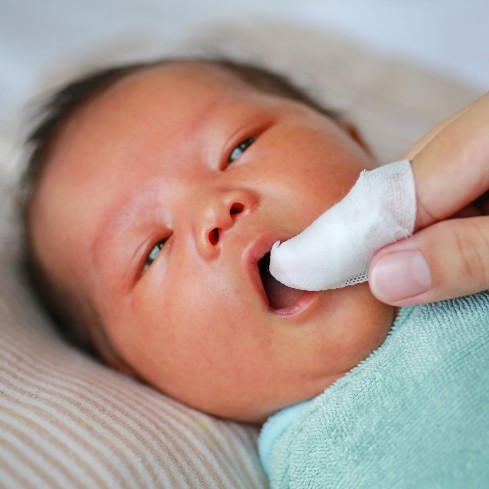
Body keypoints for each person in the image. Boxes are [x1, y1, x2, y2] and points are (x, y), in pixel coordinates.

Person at [21, 57, 488, 481]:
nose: (214, 210)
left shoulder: (473, 208)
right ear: (137, 372)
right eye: (152, 252)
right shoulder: (318, 459)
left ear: (353, 139)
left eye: (239, 148)